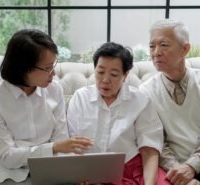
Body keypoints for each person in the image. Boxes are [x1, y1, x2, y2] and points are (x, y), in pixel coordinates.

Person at [0, 29, 92, 185]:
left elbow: (60, 138)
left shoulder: (55, 90)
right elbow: (8, 158)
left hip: (49, 166)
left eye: (53, 65)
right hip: (8, 173)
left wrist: (73, 167)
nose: (53, 74)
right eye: (47, 68)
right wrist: (54, 148)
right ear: (23, 68)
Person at [139, 19, 200, 185]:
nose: (156, 52)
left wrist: (191, 167)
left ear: (185, 49)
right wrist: (179, 172)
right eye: (152, 46)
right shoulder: (146, 92)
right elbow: (156, 142)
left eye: (163, 45)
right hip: (175, 172)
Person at [67, 42, 171, 185]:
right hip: (91, 171)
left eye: (114, 74)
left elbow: (149, 149)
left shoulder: (140, 100)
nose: (105, 80)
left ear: (125, 75)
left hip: (133, 169)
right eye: (100, 72)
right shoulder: (80, 98)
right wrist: (81, 174)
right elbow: (72, 146)